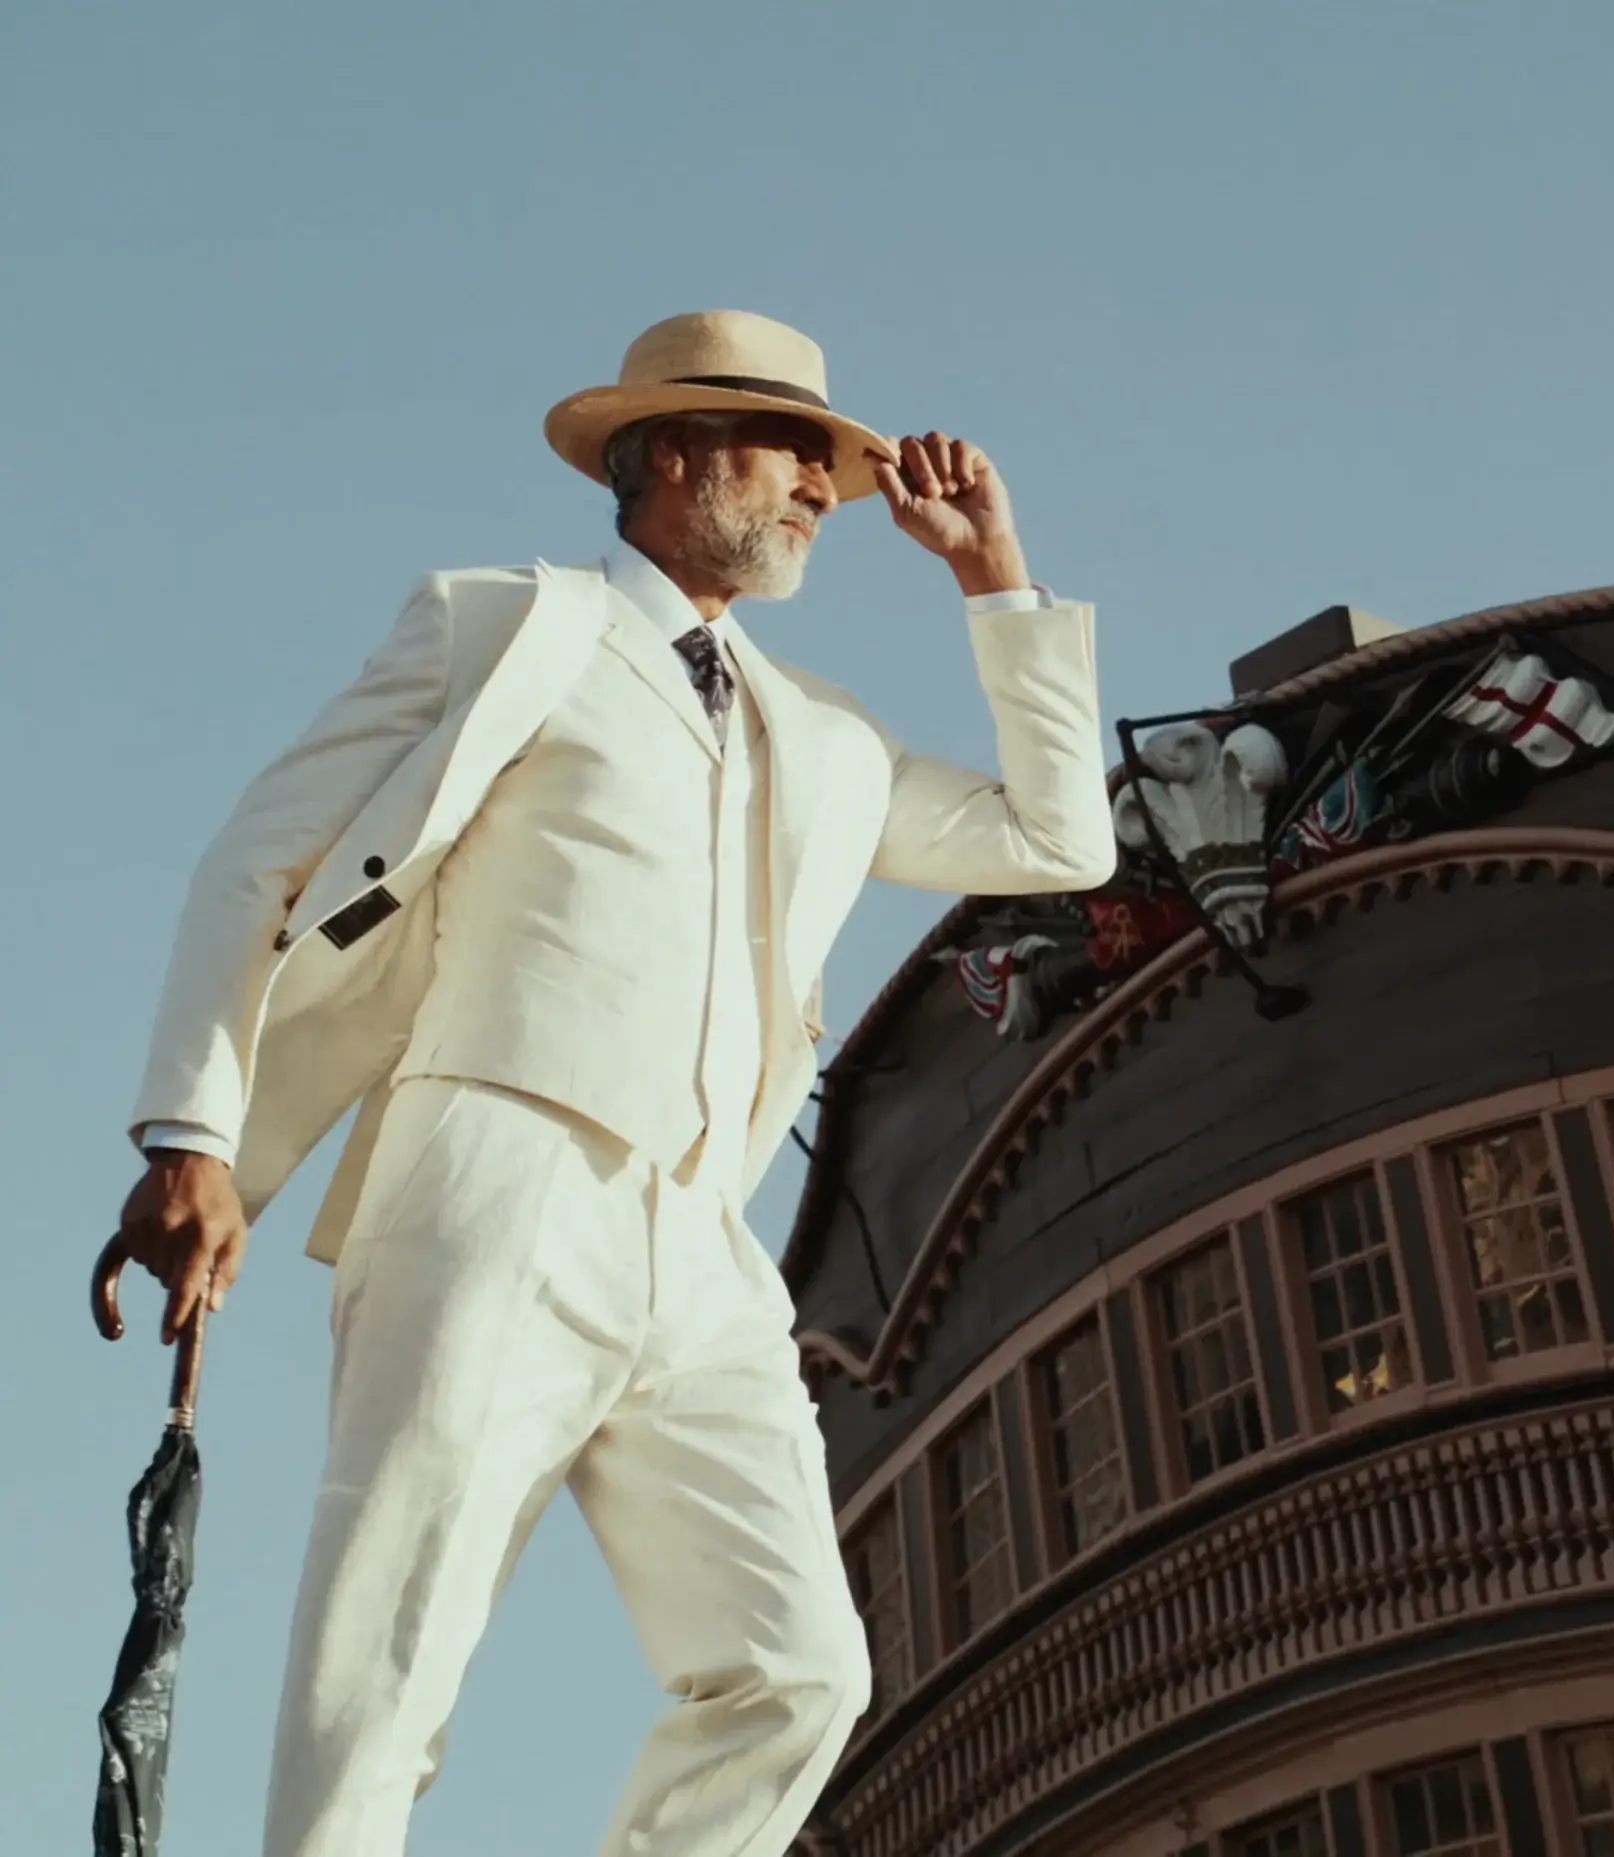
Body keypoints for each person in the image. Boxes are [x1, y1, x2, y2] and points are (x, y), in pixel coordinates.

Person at [112, 309, 1119, 1856]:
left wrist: (996, 578)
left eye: (832, 468)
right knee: (397, 1638)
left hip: (702, 1244)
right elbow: (263, 854)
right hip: (497, 1169)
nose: (820, 492)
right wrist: (193, 1133)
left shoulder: (828, 738)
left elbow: (1060, 841)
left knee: (797, 1672)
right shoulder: (511, 625)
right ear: (669, 453)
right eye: (791, 452)